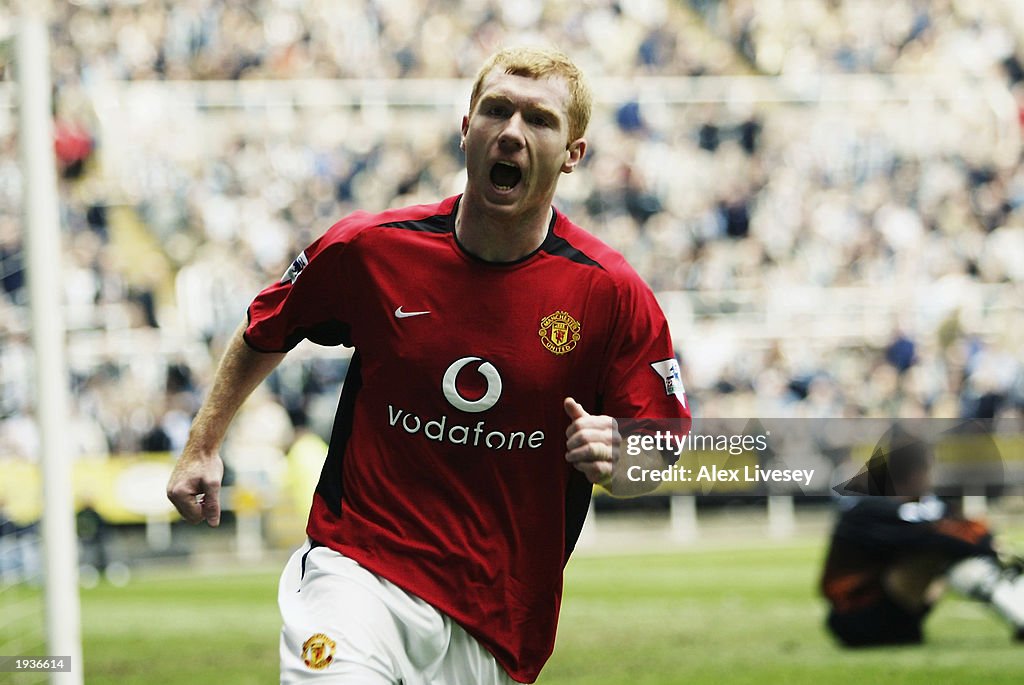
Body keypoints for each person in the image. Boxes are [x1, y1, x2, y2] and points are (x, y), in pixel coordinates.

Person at [167, 46, 691, 684]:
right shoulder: (372, 248)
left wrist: (620, 455)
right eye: (496, 111)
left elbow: (663, 446)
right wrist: (203, 444)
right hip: (358, 571)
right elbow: (267, 327)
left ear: (573, 153)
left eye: (540, 120)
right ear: (467, 128)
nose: (513, 133)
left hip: (496, 615)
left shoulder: (609, 292)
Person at [821, 426, 1024, 647]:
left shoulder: (905, 504)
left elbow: (958, 525)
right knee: (952, 555)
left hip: (887, 615)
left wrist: (984, 541)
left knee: (953, 547)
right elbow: (933, 537)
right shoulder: (868, 508)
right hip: (857, 616)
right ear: (917, 472)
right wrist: (986, 546)